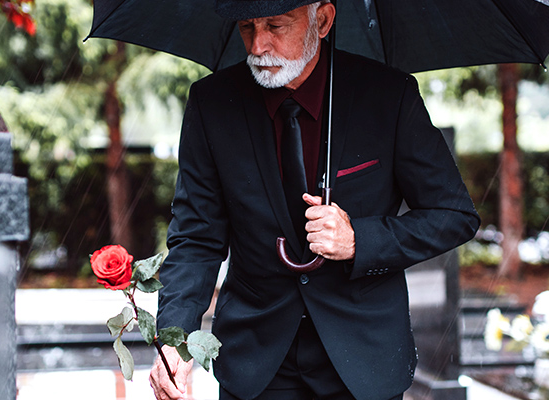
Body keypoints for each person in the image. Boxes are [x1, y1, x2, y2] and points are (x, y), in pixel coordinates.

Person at [148, 0, 481, 399]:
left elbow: (454, 214)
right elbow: (196, 237)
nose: (257, 46)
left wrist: (359, 240)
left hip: (364, 360)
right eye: (247, 27)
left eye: (275, 25)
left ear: (321, 20)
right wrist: (175, 337)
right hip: (255, 362)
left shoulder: (389, 95)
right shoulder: (212, 103)